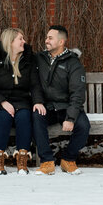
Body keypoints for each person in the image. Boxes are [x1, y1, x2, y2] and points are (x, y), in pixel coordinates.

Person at [31, 24, 90, 175]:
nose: (46, 41)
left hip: (66, 107)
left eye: (50, 38)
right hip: (47, 107)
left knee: (83, 126)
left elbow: (77, 93)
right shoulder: (39, 59)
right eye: (46, 37)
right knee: (36, 117)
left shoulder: (73, 63)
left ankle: (68, 160)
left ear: (61, 42)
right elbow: (34, 83)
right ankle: (47, 161)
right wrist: (38, 101)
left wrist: (70, 118)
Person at [0, 27, 37, 175]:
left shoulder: (28, 61)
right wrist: (3, 102)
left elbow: (35, 85)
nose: (24, 42)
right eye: (20, 39)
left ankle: (22, 159)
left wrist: (37, 101)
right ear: (11, 42)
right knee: (3, 117)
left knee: (25, 117)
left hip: (22, 103)